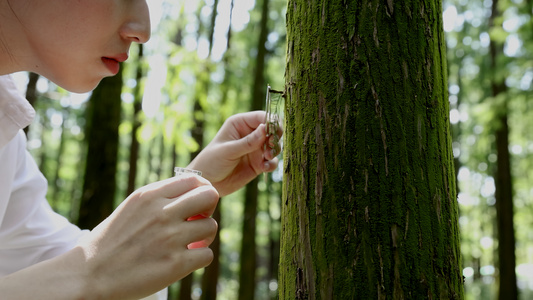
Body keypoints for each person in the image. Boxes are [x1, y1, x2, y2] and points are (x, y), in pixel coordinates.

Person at [0, 0, 281, 299]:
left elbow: (56, 260)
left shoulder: (7, 140)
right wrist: (92, 274)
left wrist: (195, 186)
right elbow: (82, 271)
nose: (143, 31)